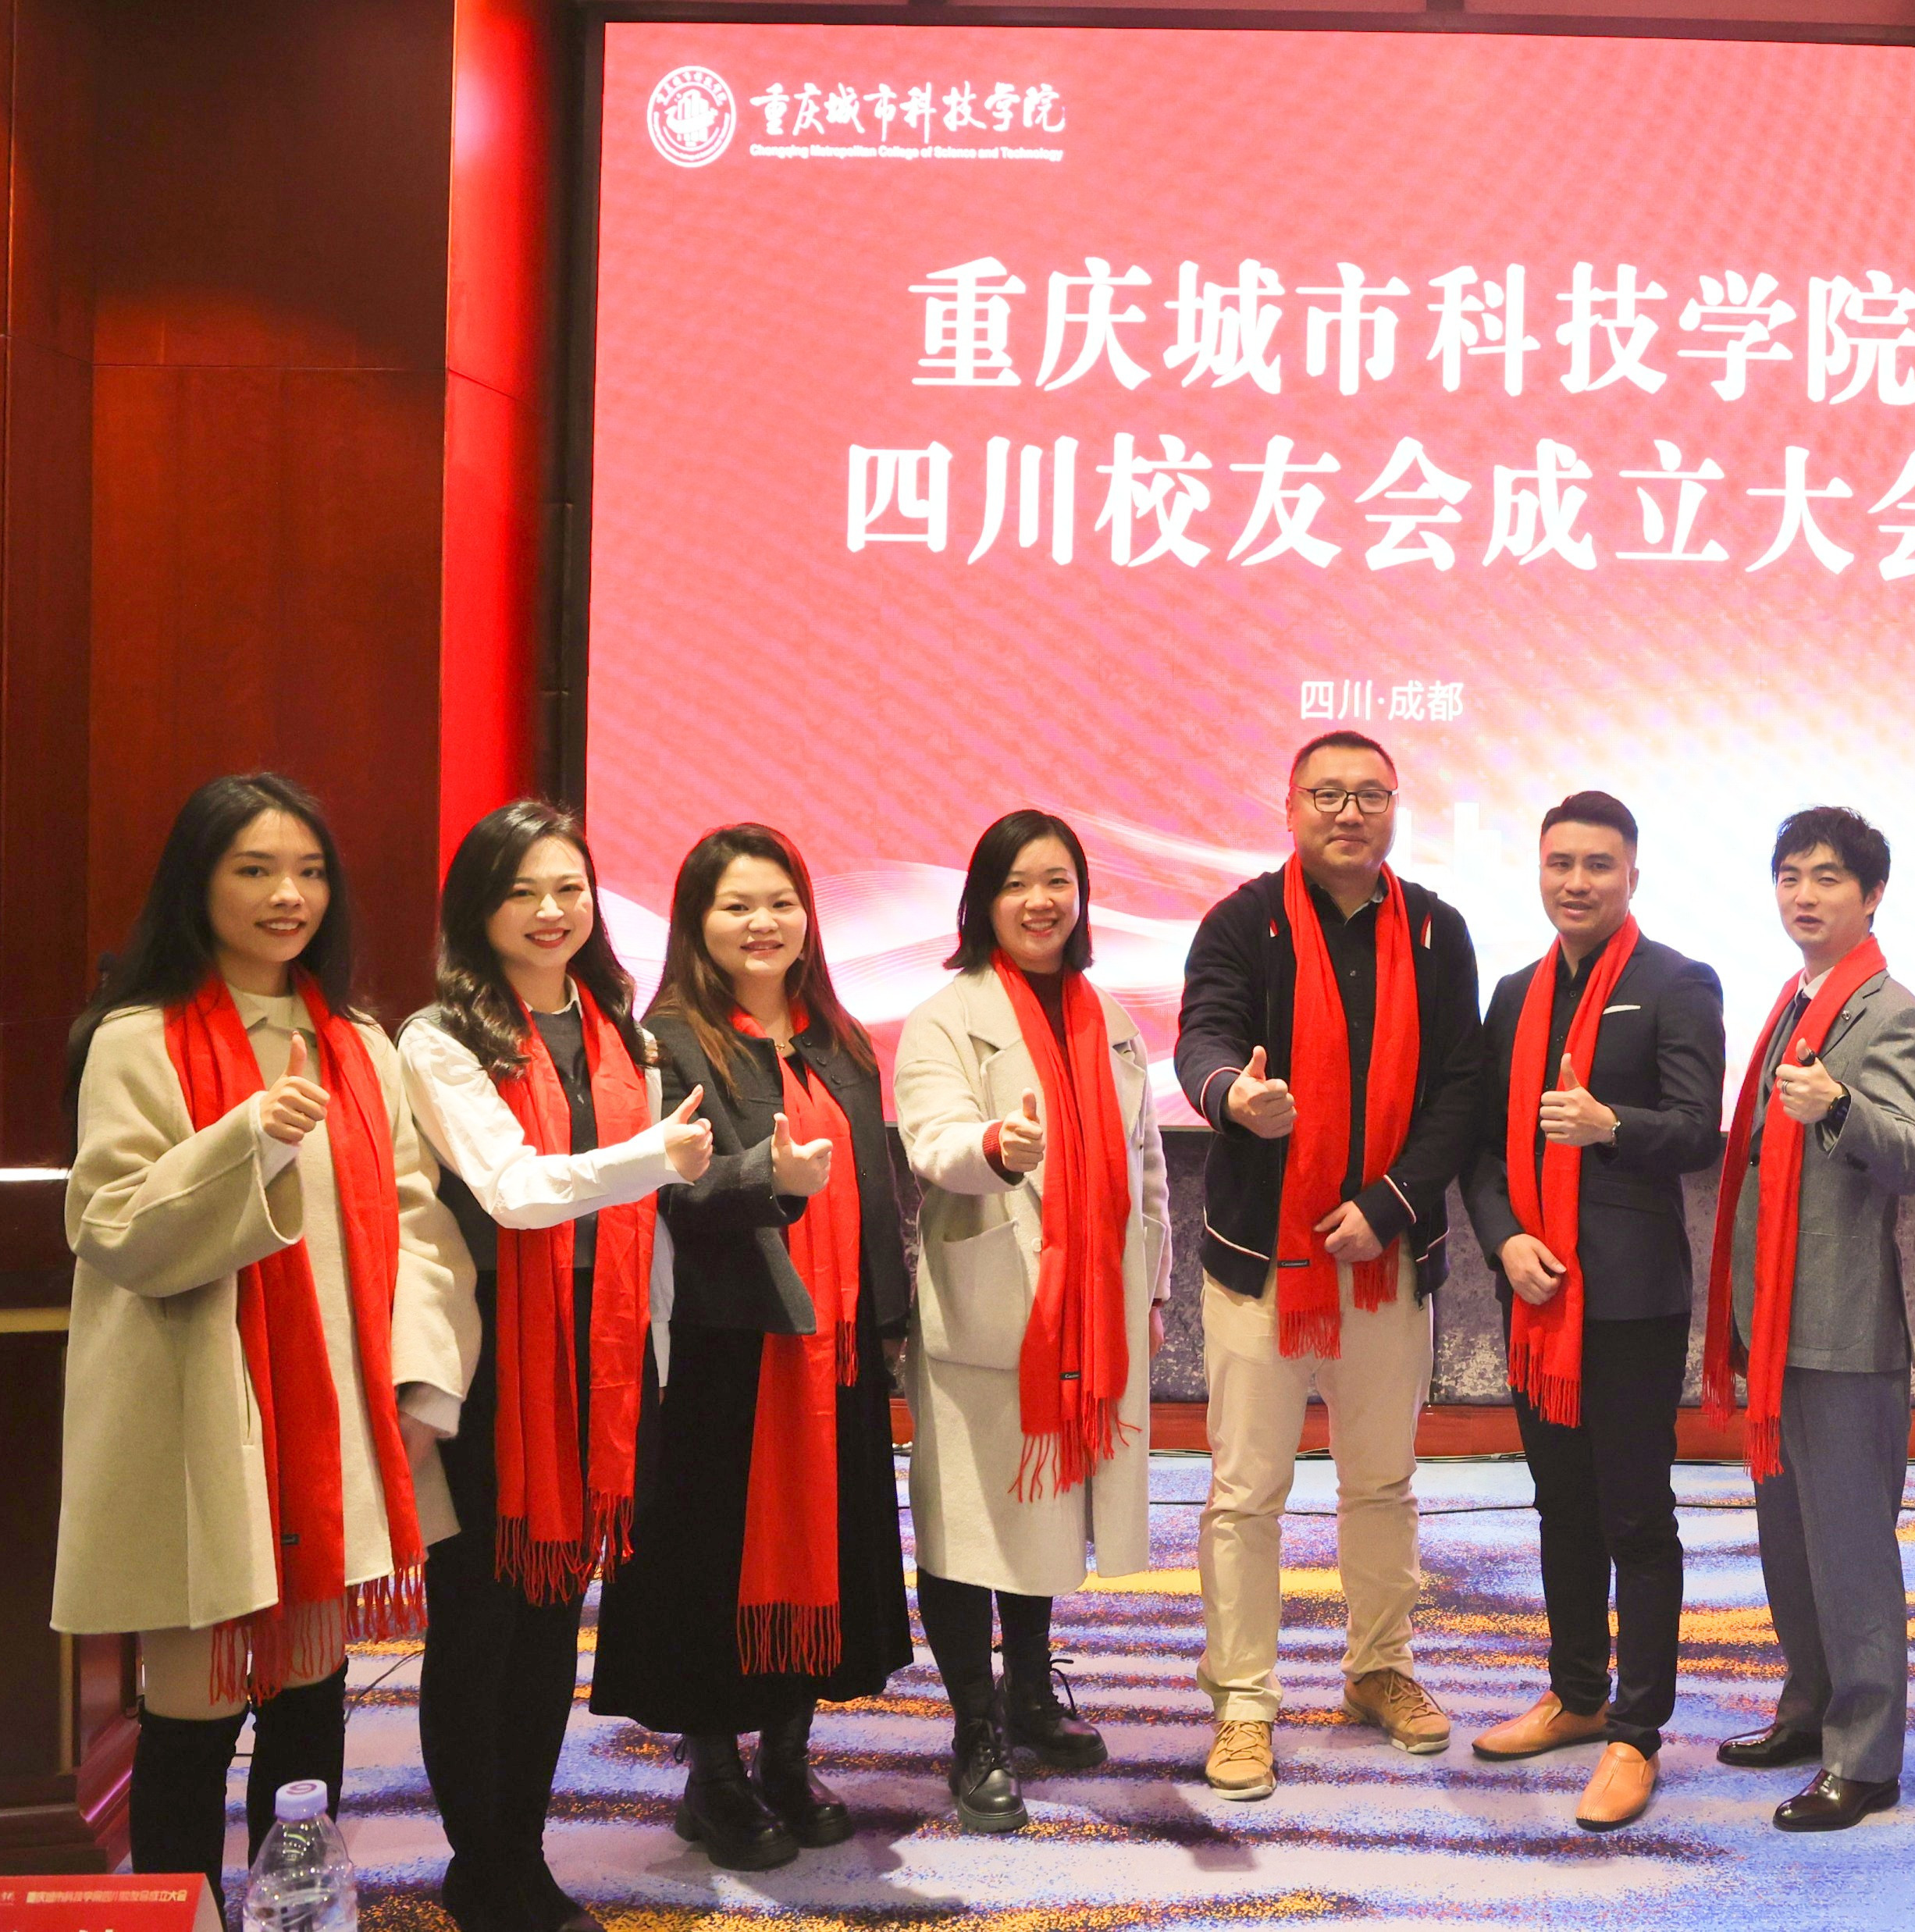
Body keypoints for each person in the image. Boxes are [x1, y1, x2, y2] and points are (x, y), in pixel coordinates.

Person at [54, 774, 478, 1911]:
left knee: (309, 1703)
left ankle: (296, 1908)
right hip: (201, 1423)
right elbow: (111, 1225)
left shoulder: (359, 1045)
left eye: (309, 872)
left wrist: (423, 1382)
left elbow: (420, 1229)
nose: (289, 895)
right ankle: (186, 1912)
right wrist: (250, 1140)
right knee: (193, 1716)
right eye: (255, 870)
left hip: (334, 1425)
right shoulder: (138, 1040)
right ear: (198, 884)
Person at [399, 802, 714, 1932]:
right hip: (498, 1364)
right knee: (480, 1620)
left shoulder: (619, 1028)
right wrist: (651, 1158)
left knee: (548, 1622)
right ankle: (480, 1862)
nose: (550, 911)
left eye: (569, 887)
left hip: (603, 1355)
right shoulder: (439, 1039)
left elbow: (650, 1221)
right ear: (478, 908)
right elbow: (513, 1190)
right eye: (522, 890)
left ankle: (518, 1853)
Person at [1173, 731, 1490, 1801]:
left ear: (1395, 807)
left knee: (1383, 1481)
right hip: (1264, 1261)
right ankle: (1244, 1701)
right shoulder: (1240, 921)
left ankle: (1379, 1667)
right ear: (1291, 805)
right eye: (1328, 794)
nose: (1349, 813)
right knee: (1247, 1492)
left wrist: (1391, 1205)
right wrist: (1234, 1096)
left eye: (1369, 796)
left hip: (1385, 1262)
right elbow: (1204, 1038)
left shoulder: (1437, 930)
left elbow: (1461, 1088)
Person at [589, 825, 912, 1870]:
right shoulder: (670, 1041)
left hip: (835, 1352)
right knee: (710, 1562)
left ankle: (786, 1751)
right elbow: (664, 1189)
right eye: (736, 906)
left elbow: (877, 1195)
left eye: (780, 903)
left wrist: (888, 1322)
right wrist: (767, 1180)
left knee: (830, 1542)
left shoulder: (842, 1040)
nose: (762, 923)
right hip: (722, 1351)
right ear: (698, 922)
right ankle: (713, 1774)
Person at [895, 810, 1171, 1831]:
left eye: (1058, 880)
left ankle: (1027, 1696)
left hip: (1092, 1312)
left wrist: (1151, 1291)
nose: (1040, 901)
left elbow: (1147, 1165)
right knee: (970, 1527)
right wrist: (993, 1148)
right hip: (990, 1312)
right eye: (1017, 883)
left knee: (1046, 1512)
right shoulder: (945, 1016)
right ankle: (975, 1730)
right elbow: (930, 1140)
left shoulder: (1112, 1016)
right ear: (983, 901)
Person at [1461, 792, 1727, 1832]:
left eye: (1599, 865)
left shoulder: (1676, 982)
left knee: (1635, 1516)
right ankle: (1576, 1694)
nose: (1577, 882)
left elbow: (1698, 1131)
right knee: (1560, 1506)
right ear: (1540, 870)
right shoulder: (1515, 994)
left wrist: (1612, 1125)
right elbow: (1486, 1149)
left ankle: (1636, 1732)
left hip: (1629, 1301)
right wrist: (1503, 1240)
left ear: (1632, 875)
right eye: (1561, 863)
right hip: (1535, 1292)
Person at [1706, 806, 1915, 1833]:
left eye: (1829, 877)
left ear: (1873, 895)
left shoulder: (1893, 1013)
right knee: (1789, 1539)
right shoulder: (1797, 999)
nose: (1805, 894)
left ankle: (1867, 1757)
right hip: (1776, 1319)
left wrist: (1840, 1106)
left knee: (1850, 1551)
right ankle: (1810, 1708)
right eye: (1790, 875)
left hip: (1843, 1328)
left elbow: (1913, 1157)